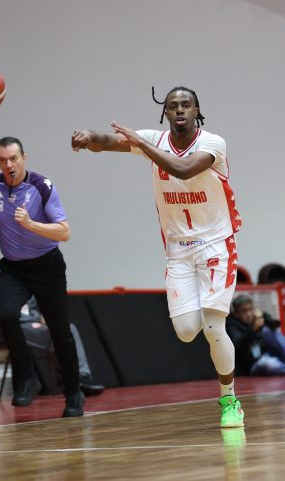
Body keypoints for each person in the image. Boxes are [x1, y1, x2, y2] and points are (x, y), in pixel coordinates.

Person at [71, 86, 244, 428]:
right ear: (165, 112)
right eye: (172, 105)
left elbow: (183, 168)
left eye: (186, 105)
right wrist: (90, 137)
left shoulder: (213, 143)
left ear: (197, 111)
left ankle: (229, 400)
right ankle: (209, 329)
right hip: (178, 250)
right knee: (186, 331)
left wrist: (142, 143)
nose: (179, 110)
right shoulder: (153, 140)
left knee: (213, 327)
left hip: (216, 245)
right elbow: (108, 141)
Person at [0, 136, 84, 417]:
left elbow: (64, 232)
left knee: (60, 331)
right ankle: (28, 378)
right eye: (3, 160)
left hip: (47, 266)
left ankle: (74, 392)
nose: (9, 165)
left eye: (13, 159)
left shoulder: (41, 186)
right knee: (5, 315)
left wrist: (30, 224)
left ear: (24, 158)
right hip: (14, 267)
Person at [0, 267, 104, 396]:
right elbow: (4, 313)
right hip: (8, 329)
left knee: (68, 329)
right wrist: (33, 320)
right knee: (57, 335)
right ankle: (70, 382)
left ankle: (79, 378)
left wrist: (37, 318)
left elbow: (33, 307)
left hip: (27, 324)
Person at [226, 294, 285, 377]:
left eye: (250, 309)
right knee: (269, 365)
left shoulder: (256, 318)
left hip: (268, 354)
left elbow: (275, 325)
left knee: (268, 330)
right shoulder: (231, 325)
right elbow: (237, 346)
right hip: (253, 364)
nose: (249, 314)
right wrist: (253, 330)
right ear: (236, 314)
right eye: (244, 311)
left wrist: (264, 317)